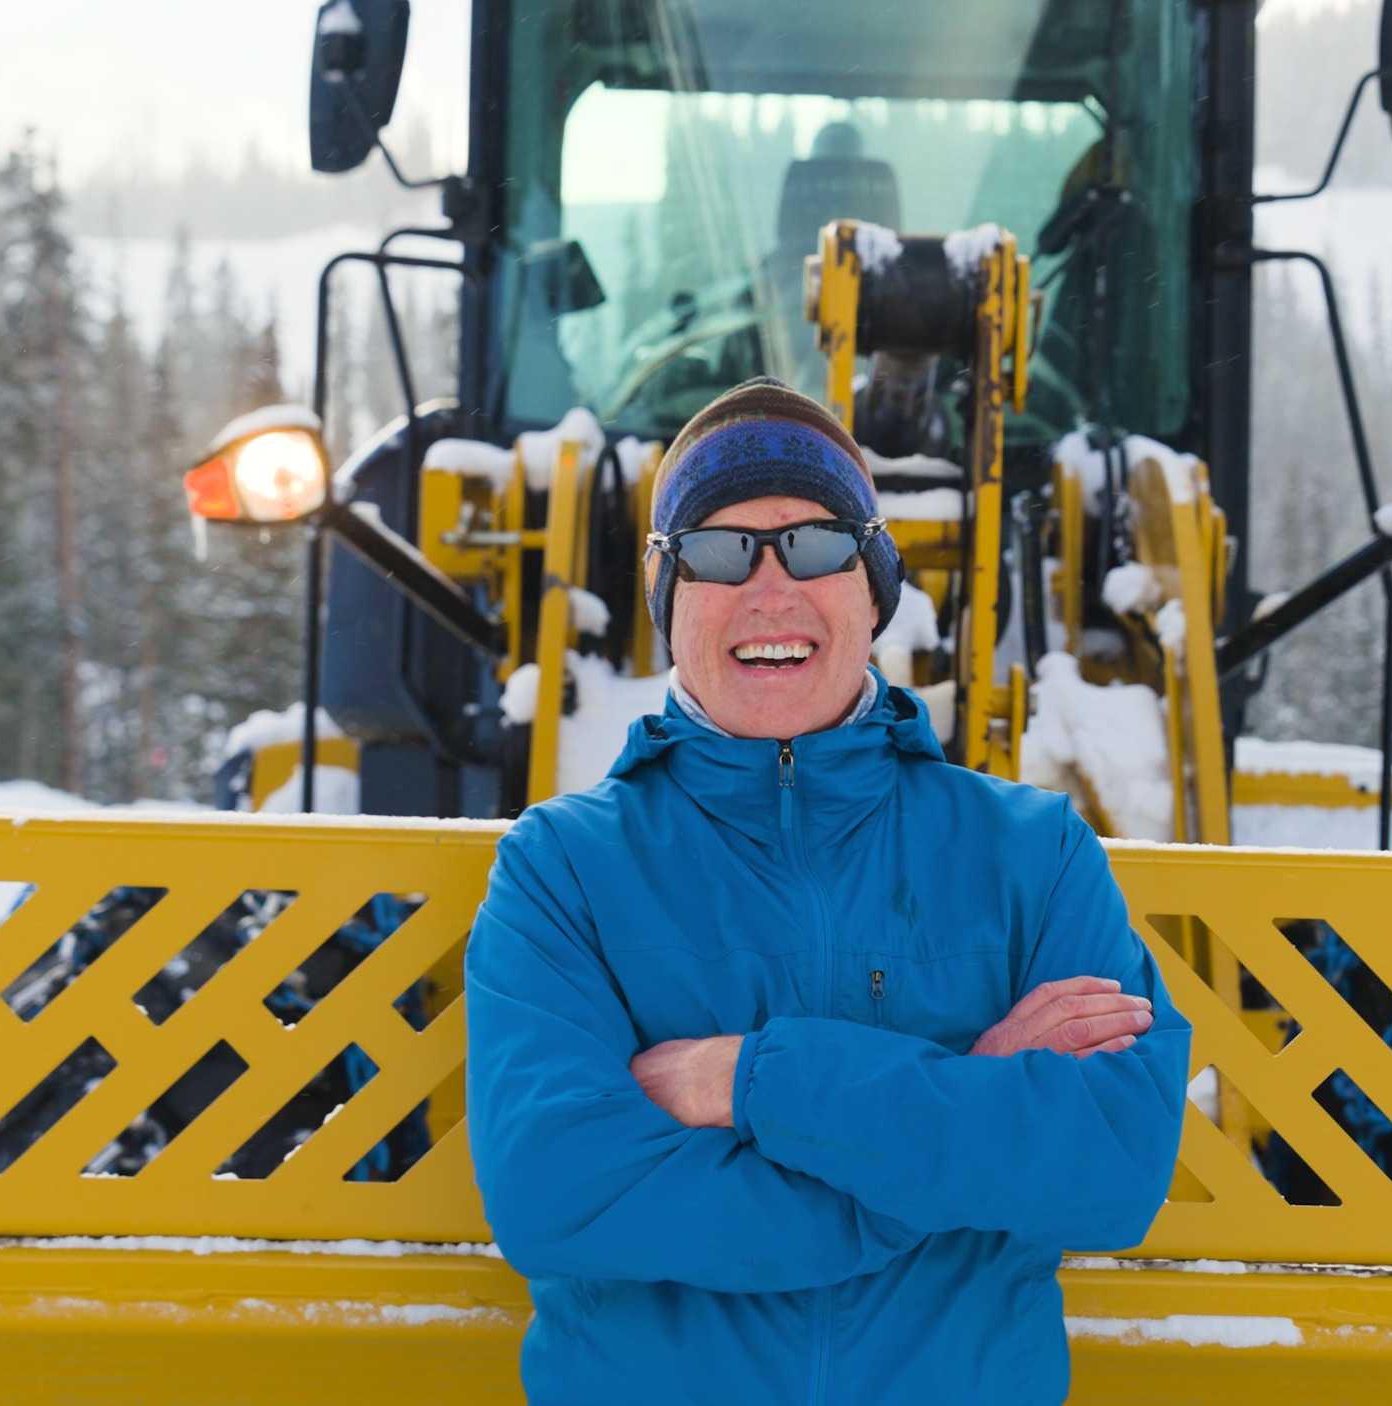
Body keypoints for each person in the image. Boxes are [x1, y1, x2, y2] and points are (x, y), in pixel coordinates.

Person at [464, 378, 1191, 1405]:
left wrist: (752, 1079)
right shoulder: (564, 870)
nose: (771, 591)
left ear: (872, 584)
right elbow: (557, 1191)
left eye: (815, 545)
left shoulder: (1033, 854)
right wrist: (945, 1141)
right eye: (718, 551)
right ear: (672, 600)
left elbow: (1108, 1170)